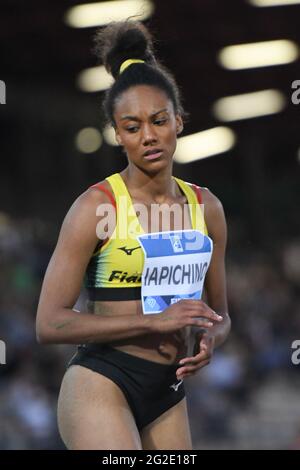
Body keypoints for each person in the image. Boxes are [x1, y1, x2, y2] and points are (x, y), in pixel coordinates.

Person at [36, 21, 231, 450]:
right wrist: (153, 320)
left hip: (168, 390)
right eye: (132, 126)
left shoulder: (207, 209)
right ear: (117, 135)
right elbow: (49, 322)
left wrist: (209, 338)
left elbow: (221, 315)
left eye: (159, 121)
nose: (148, 136)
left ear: (178, 122)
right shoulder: (96, 207)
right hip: (103, 380)